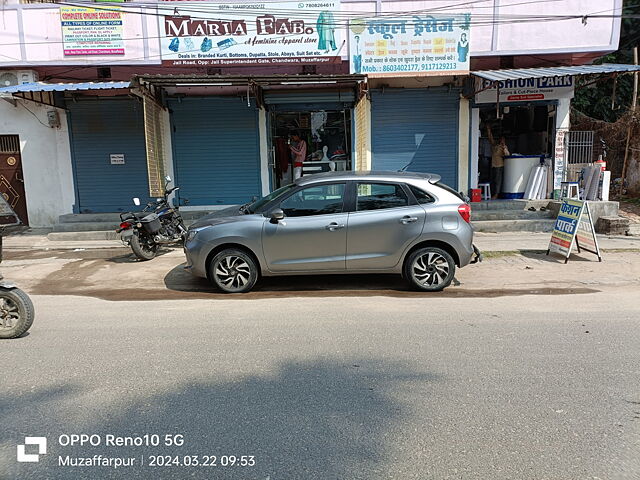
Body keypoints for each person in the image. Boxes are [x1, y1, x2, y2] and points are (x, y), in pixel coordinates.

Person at [486, 126, 509, 199]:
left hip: (499, 165)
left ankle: (496, 194)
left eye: (503, 139)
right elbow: (490, 139)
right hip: (493, 165)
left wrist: (504, 147)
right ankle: (493, 193)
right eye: (500, 139)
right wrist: (488, 130)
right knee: (493, 180)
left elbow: (507, 154)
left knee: (498, 181)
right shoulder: (495, 146)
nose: (501, 140)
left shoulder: (504, 147)